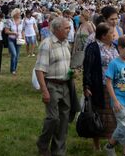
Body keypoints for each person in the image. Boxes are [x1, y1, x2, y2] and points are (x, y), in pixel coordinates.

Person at [35, 17, 72, 156]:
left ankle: (58, 150)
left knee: (64, 119)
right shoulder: (47, 44)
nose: (69, 30)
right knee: (53, 118)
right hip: (51, 84)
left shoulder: (66, 43)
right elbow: (39, 69)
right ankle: (43, 144)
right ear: (56, 29)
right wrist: (44, 90)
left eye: (69, 28)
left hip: (65, 85)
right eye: (66, 28)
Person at [83, 22, 119, 151]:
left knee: (113, 115)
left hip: (115, 86)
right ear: (103, 36)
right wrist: (86, 86)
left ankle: (111, 143)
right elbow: (87, 68)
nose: (114, 35)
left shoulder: (115, 46)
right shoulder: (93, 48)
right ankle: (96, 144)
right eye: (111, 33)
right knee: (97, 114)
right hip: (99, 86)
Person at [5, 8, 25, 75]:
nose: (19, 14)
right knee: (14, 54)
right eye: (18, 13)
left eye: (20, 13)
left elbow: (22, 31)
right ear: (14, 14)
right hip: (11, 39)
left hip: (19, 40)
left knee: (17, 56)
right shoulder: (9, 21)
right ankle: (12, 70)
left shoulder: (22, 21)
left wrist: (23, 38)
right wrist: (14, 33)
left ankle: (14, 69)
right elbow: (6, 31)